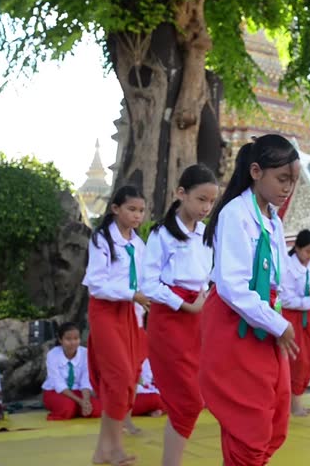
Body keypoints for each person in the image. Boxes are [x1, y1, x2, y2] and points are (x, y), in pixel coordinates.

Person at [199, 135, 300, 466]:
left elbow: (277, 280)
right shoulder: (235, 214)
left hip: (265, 320)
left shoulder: (273, 219)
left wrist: (277, 318)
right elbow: (231, 284)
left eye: (293, 180)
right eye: (282, 178)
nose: (288, 188)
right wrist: (277, 322)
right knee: (249, 421)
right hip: (236, 321)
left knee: (276, 418)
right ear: (256, 171)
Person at [140, 164, 216, 466]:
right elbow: (148, 284)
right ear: (180, 194)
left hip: (199, 317)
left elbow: (209, 275)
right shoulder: (162, 234)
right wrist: (185, 305)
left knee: (194, 397)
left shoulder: (205, 234)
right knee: (187, 399)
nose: (206, 207)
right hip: (171, 319)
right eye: (201, 199)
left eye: (211, 201)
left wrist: (204, 301)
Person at [83, 185, 149, 466]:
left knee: (128, 379)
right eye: (132, 209)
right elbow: (97, 284)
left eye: (141, 211)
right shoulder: (101, 240)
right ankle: (114, 447)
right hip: (106, 311)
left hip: (131, 313)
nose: (137, 216)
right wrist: (131, 294)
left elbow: (144, 283)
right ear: (115, 209)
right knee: (119, 378)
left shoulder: (139, 245)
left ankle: (104, 450)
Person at [280, 229, 310, 417]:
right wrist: (309, 302)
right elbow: (285, 298)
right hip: (290, 316)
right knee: (294, 358)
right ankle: (291, 404)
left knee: (309, 355)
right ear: (296, 248)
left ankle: (297, 398)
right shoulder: (286, 265)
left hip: (307, 318)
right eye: (307, 251)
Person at [42, 322, 101, 420]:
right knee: (67, 409)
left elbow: (86, 379)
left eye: (76, 338)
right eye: (68, 339)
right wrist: (79, 401)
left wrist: (85, 400)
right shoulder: (52, 355)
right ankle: (75, 407)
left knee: (96, 409)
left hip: (79, 391)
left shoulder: (85, 353)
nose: (73, 342)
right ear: (60, 340)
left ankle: (78, 408)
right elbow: (58, 384)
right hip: (56, 392)